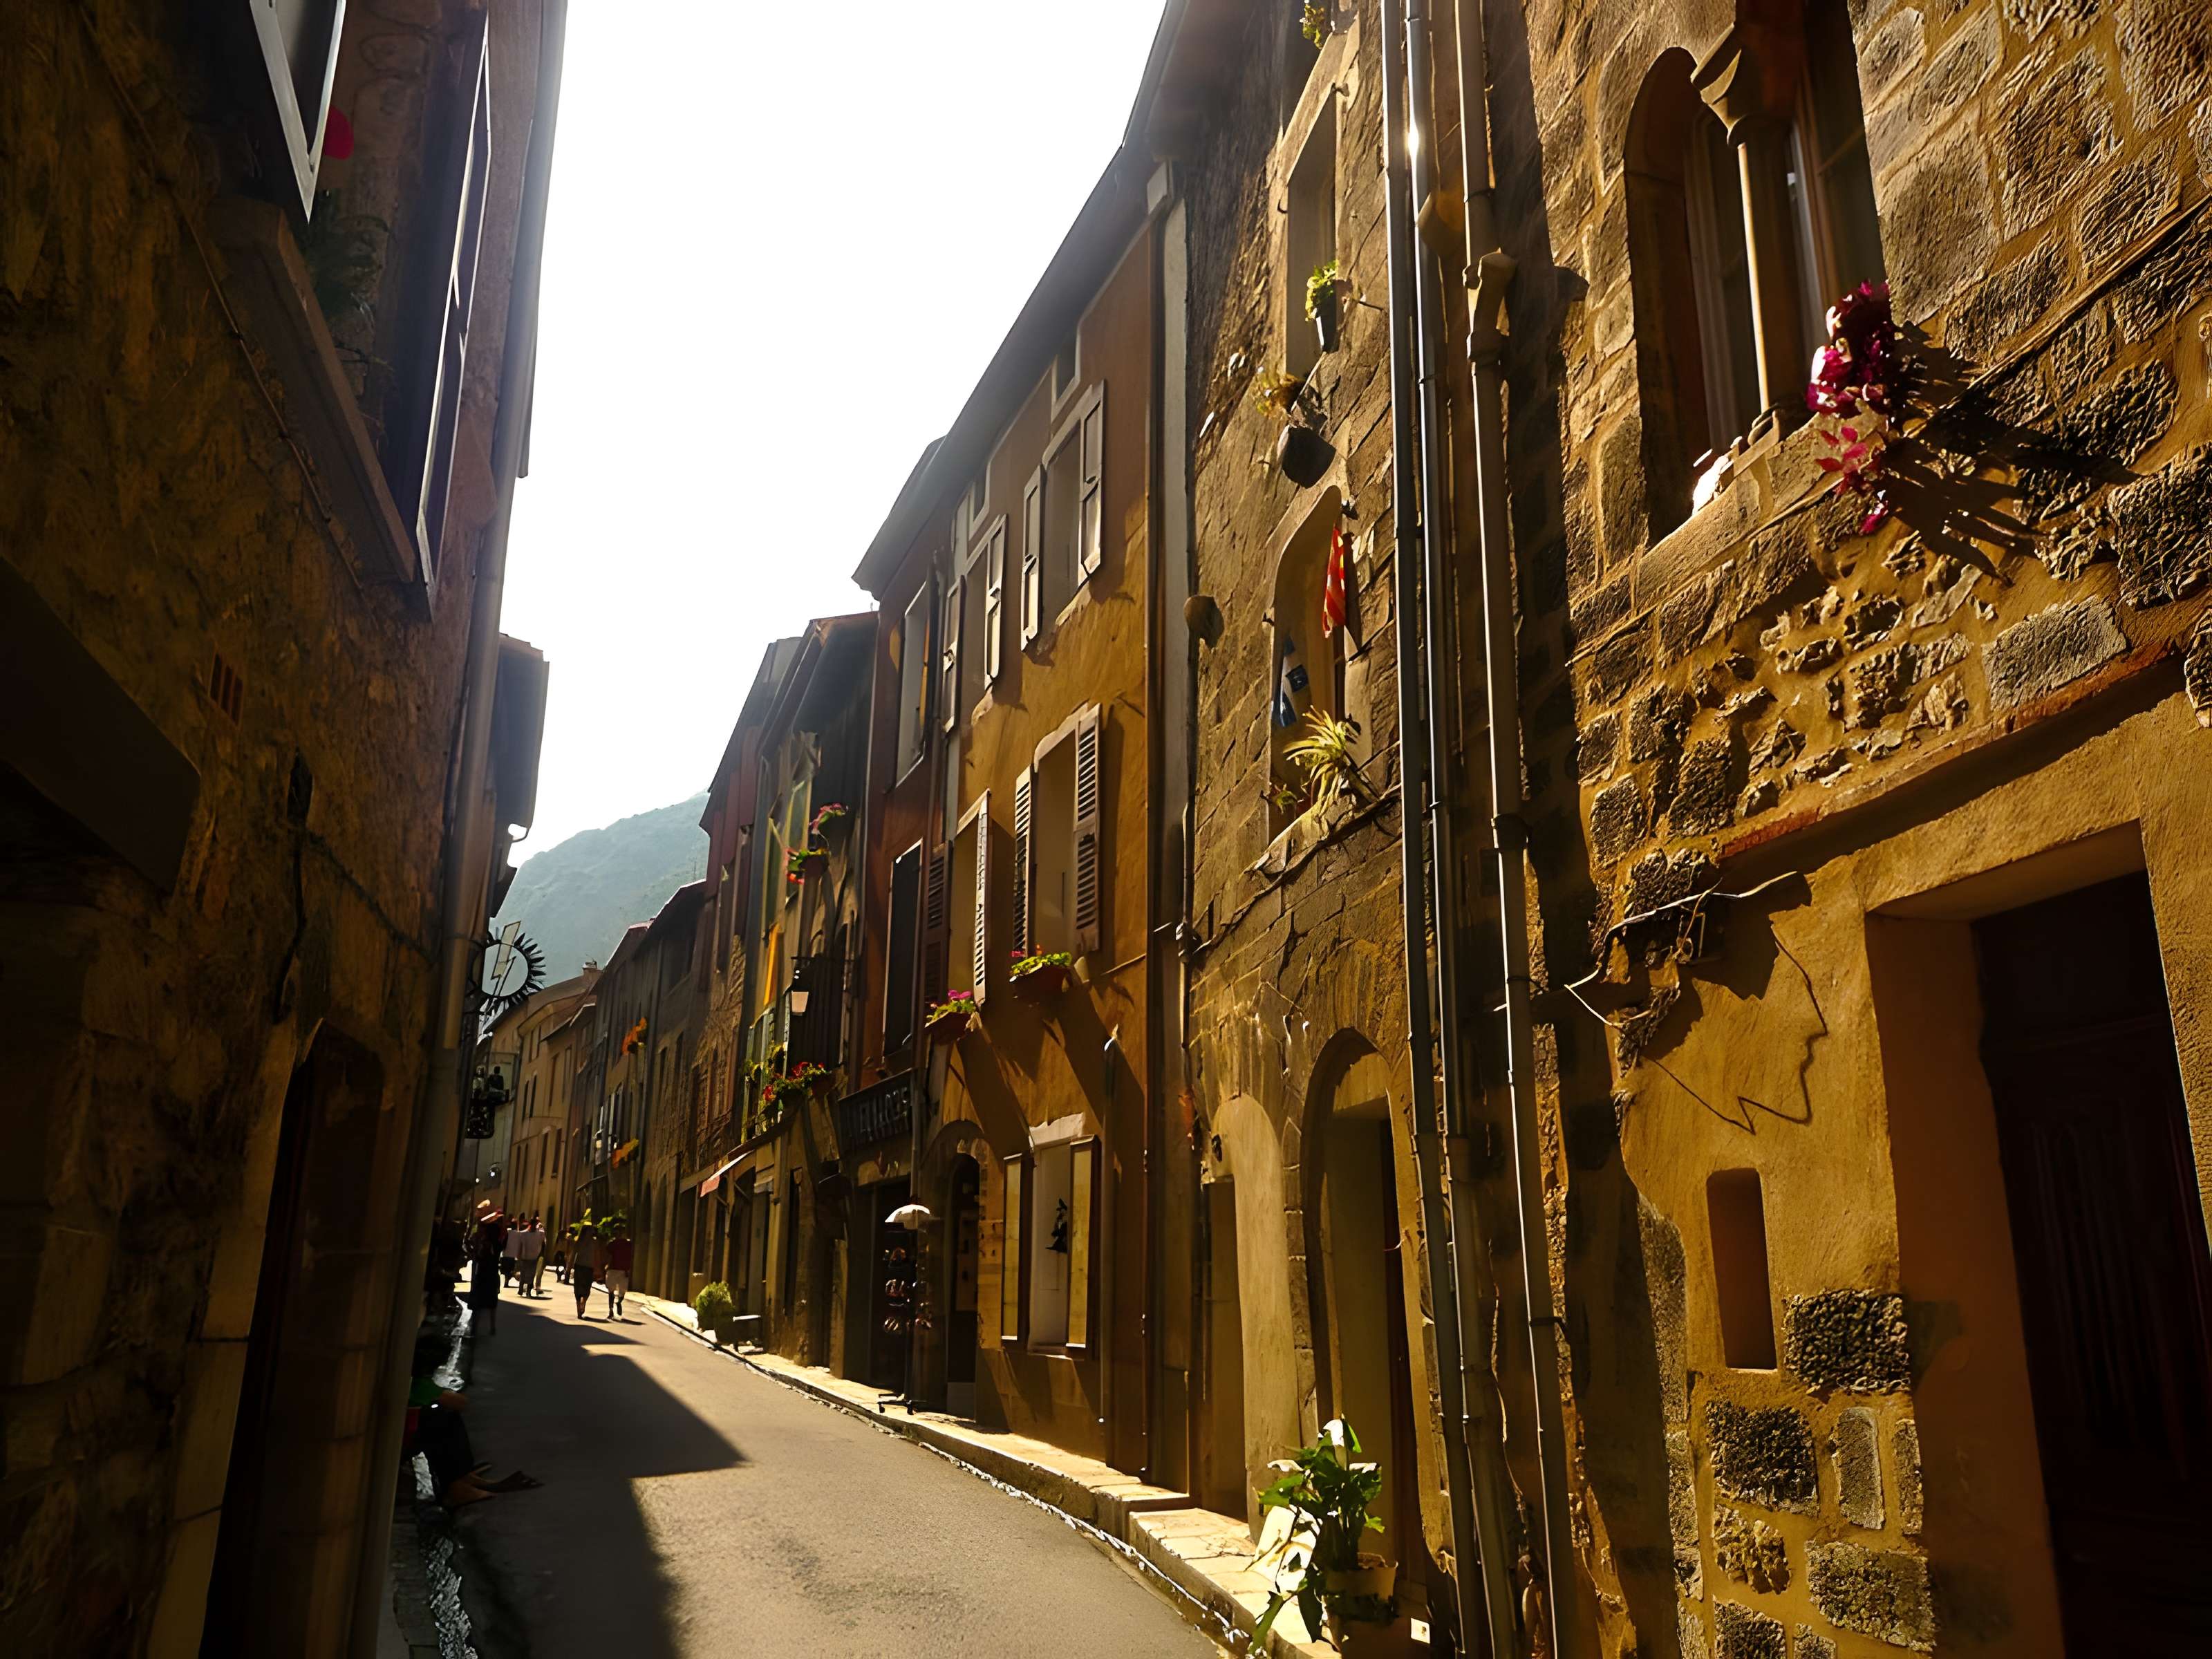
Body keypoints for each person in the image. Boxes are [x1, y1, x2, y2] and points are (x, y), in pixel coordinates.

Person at [467, 1203, 505, 1335]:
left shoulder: (484, 1245)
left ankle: (475, 1328)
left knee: (478, 1302)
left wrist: (492, 1216)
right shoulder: (498, 1245)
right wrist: (496, 1217)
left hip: (482, 1274)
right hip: (493, 1275)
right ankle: (492, 1327)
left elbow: (481, 1224)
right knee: (492, 1303)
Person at [569, 1224, 602, 1319]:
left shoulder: (595, 1242)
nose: (592, 1232)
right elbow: (572, 1255)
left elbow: (597, 1256)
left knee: (587, 1289)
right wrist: (569, 1268)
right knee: (578, 1290)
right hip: (579, 1267)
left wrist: (598, 1269)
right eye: (590, 1230)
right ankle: (579, 1311)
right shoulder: (579, 1242)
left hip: (589, 1268)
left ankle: (583, 1304)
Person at [603, 1223, 635, 1320]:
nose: (617, 1234)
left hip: (623, 1270)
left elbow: (631, 1257)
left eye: (619, 1232)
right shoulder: (612, 1244)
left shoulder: (629, 1244)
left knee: (622, 1291)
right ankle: (611, 1310)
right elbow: (608, 1256)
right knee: (611, 1291)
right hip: (613, 1269)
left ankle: (619, 1302)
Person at [513, 1215, 547, 1296]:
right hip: (529, 1256)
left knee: (529, 1273)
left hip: (531, 1257)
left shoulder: (531, 1234)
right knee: (525, 1273)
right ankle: (522, 1289)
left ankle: (526, 1290)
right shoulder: (526, 1234)